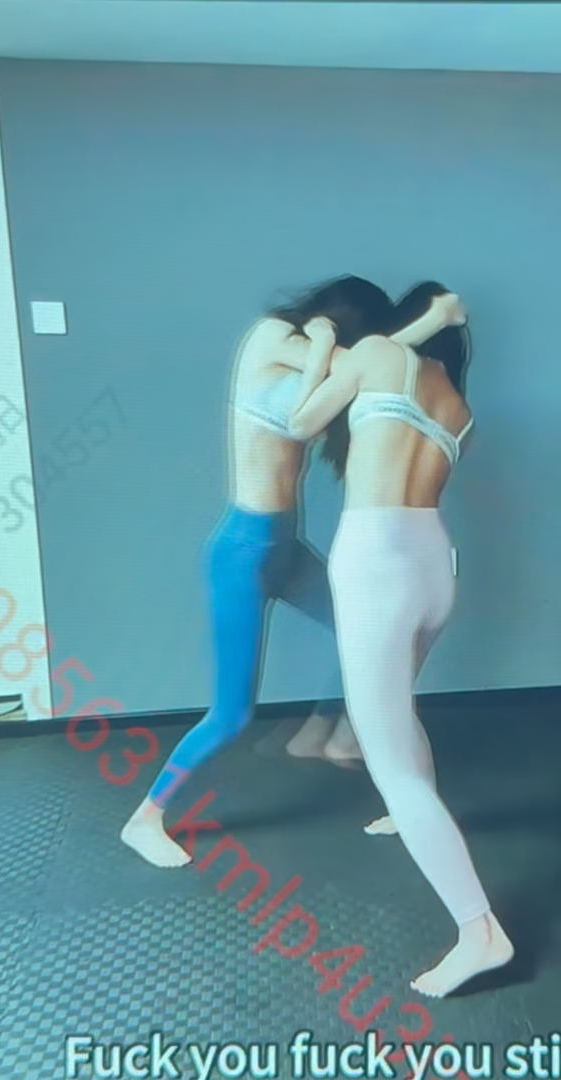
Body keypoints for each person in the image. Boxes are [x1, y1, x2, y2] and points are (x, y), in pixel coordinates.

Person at [120, 277, 453, 869]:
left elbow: (366, 368)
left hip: (284, 549)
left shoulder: (321, 355)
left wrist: (329, 344)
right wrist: (433, 319)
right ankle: (145, 817)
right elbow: (369, 361)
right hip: (242, 552)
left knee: (374, 644)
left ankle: (363, 763)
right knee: (231, 715)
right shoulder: (270, 336)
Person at [281, 283, 513, 998]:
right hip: (434, 565)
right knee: (397, 719)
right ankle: (412, 811)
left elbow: (299, 422)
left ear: (399, 322)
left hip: (377, 563)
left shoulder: (378, 353)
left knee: (387, 754)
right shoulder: (460, 408)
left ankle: (481, 933)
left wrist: (324, 344)